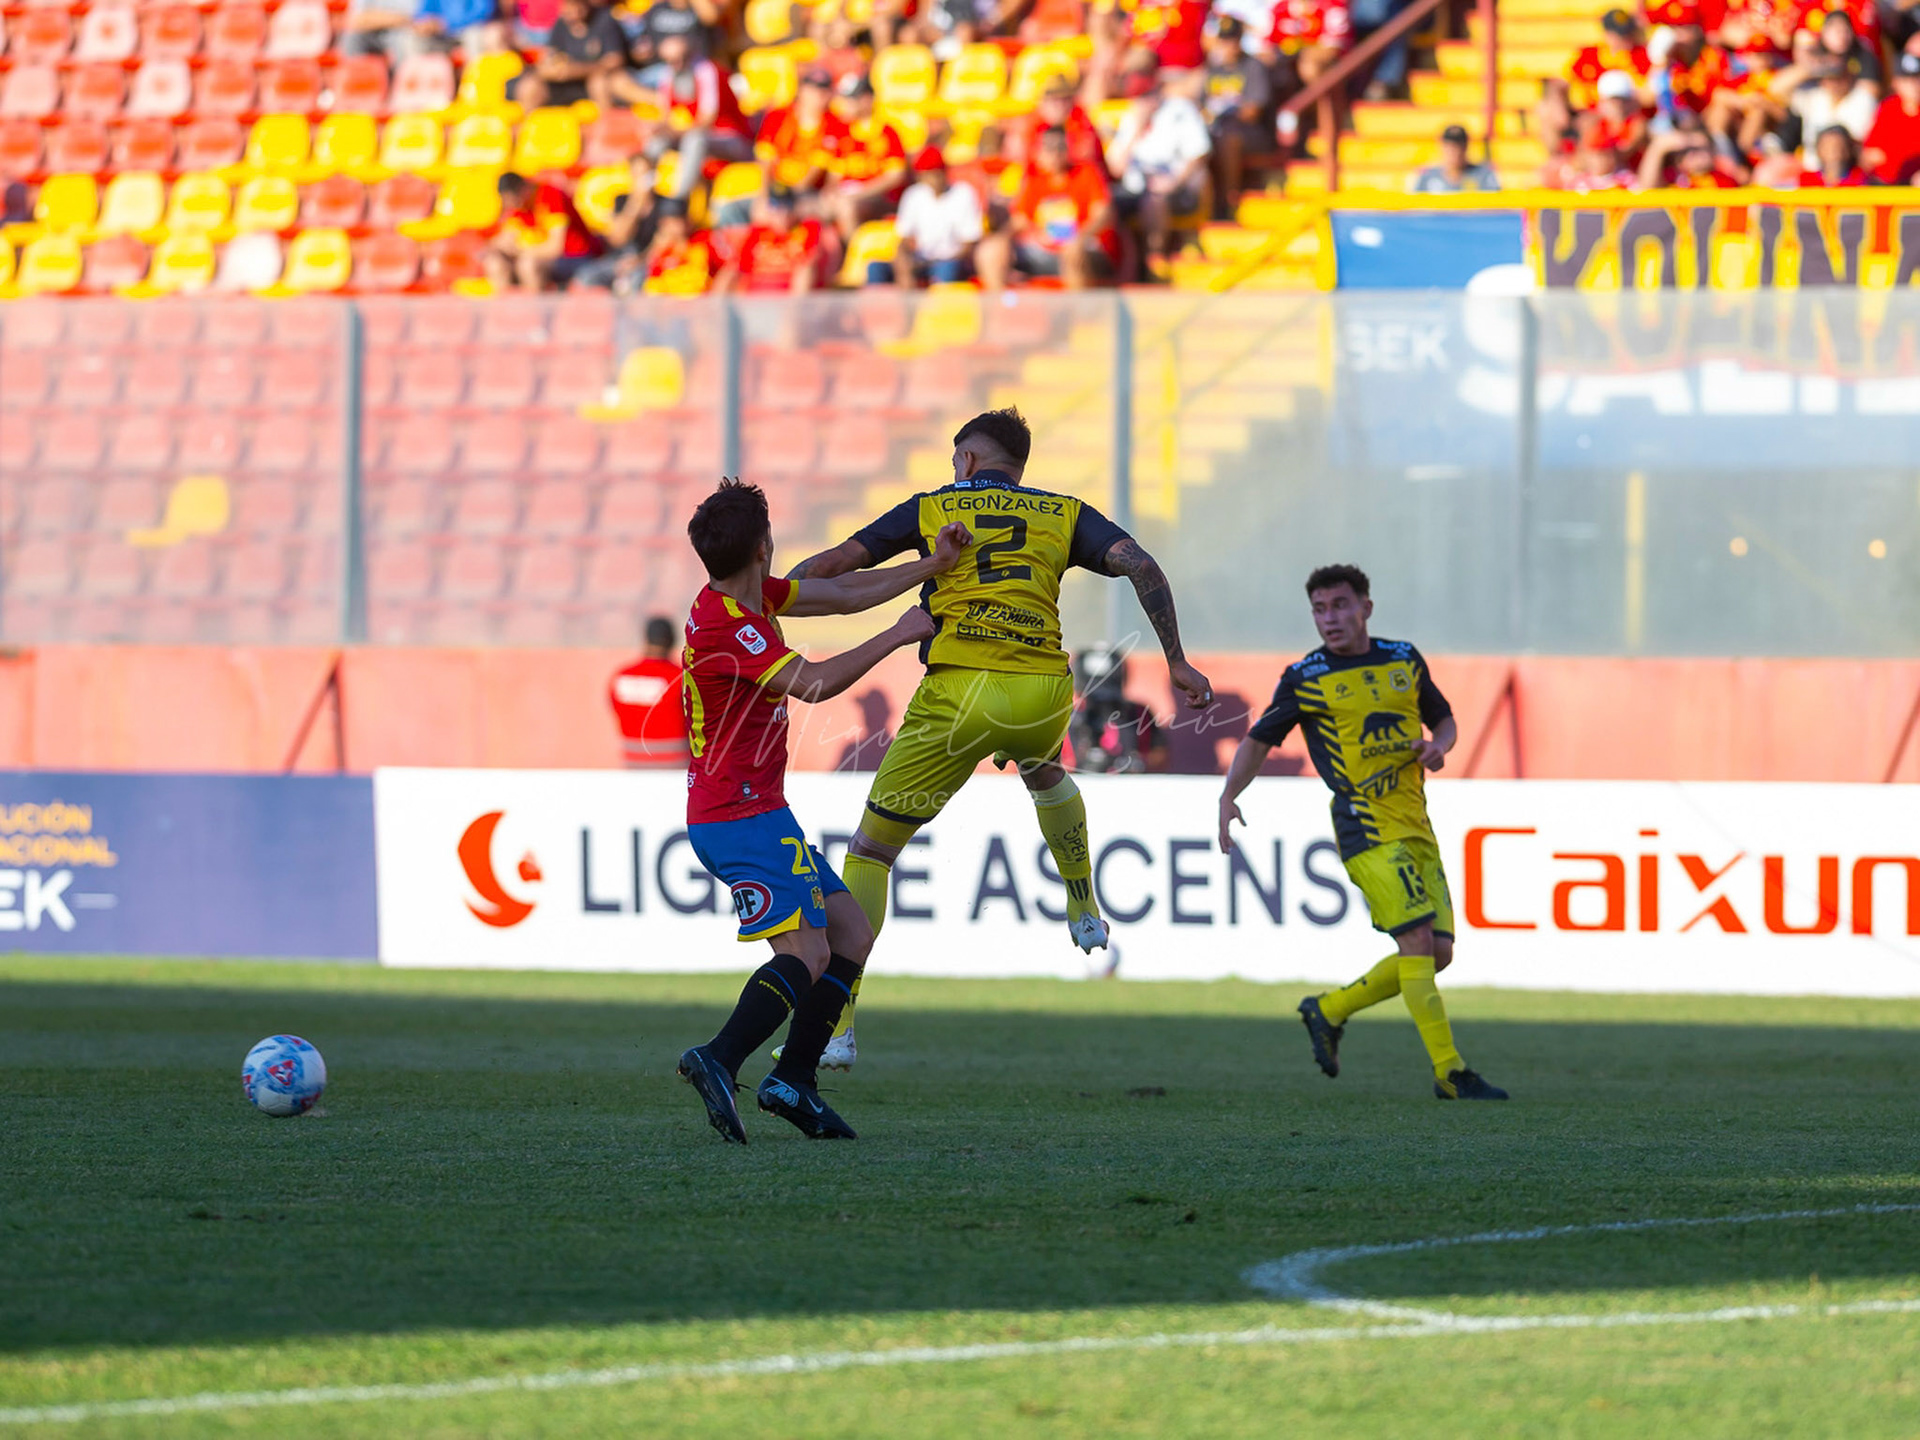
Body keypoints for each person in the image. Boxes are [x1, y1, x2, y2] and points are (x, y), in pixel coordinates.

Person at [781, 407, 1214, 1068]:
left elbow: (839, 563)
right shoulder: (1062, 512)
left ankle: (834, 1029)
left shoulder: (934, 507)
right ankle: (1084, 905)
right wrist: (1176, 659)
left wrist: (770, 596)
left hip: (958, 693)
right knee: (1044, 771)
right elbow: (1140, 563)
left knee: (869, 854)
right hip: (1042, 690)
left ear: (968, 460)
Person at [674, 479, 974, 1144]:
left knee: (850, 933)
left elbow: (838, 595)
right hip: (735, 817)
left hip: (757, 812)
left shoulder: (748, 597)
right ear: (764, 544)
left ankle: (793, 1080)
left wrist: (933, 565)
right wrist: (898, 634)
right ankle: (719, 1057)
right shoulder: (730, 625)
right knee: (808, 953)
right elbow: (811, 684)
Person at [1216, 564, 1507, 1102]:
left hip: (1416, 823)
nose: (1330, 618)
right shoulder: (1305, 676)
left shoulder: (1403, 659)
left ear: (1365, 607)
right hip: (1365, 826)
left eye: (1340, 605)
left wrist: (1439, 746)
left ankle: (1329, 1010)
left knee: (1438, 952)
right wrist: (1229, 795)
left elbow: (1444, 720)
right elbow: (1259, 740)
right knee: (1416, 941)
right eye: (1319, 609)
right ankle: (1450, 1073)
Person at [978, 126, 1119, 290]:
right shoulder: (1035, 180)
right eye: (1049, 148)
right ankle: (999, 303)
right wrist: (1003, 238)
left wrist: (1080, 238)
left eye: (1060, 147)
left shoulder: (1086, 173)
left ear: (1068, 149)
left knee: (1072, 253)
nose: (1055, 153)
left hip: (1083, 250)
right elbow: (1020, 220)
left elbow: (1103, 214)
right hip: (1043, 250)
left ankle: (1076, 305)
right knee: (990, 250)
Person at [1106, 74, 1213, 277]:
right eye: (1139, 96)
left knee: (1154, 198)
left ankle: (1153, 261)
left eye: (1147, 94)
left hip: (1178, 189)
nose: (1144, 100)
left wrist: (1174, 182)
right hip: (1134, 189)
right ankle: (1113, 261)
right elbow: (1116, 168)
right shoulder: (1131, 116)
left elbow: (1199, 154)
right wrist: (1138, 128)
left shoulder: (1180, 110)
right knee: (1103, 203)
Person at [630, 32, 754, 203]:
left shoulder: (707, 71)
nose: (677, 64)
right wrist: (657, 129)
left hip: (731, 138)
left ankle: (679, 199)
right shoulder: (668, 75)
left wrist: (672, 131)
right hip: (690, 134)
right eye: (671, 60)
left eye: (681, 58)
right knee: (656, 143)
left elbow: (706, 121)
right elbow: (666, 115)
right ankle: (645, 197)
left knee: (695, 140)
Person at [875, 146, 984, 286]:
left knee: (946, 269)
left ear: (943, 172)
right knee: (876, 268)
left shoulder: (963, 193)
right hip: (922, 259)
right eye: (927, 174)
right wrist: (904, 261)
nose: (932, 179)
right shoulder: (914, 194)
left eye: (935, 173)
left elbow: (970, 242)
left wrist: (949, 258)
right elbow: (905, 237)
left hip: (952, 260)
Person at [1203, 18, 1276, 217]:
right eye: (1225, 40)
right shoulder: (1213, 68)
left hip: (1253, 134)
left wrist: (1223, 111)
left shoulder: (1253, 66)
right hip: (1215, 129)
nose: (1229, 46)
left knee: (1229, 137)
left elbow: (1253, 112)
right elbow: (1202, 106)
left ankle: (1227, 201)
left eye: (1233, 40)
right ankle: (1198, 204)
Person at [821, 73, 910, 237]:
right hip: (847, 195)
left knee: (846, 207)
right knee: (816, 207)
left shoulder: (887, 133)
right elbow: (835, 175)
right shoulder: (844, 132)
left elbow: (895, 177)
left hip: (878, 197)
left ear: (867, 100)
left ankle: (854, 251)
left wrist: (860, 193)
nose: (846, 104)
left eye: (852, 99)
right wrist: (832, 193)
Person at [487, 172, 606, 291]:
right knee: (495, 263)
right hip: (543, 255)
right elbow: (506, 238)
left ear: (523, 189)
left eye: (513, 200)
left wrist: (521, 250)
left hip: (574, 255)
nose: (512, 205)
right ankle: (505, 301)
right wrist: (503, 247)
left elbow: (556, 247)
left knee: (528, 265)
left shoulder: (550, 195)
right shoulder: (518, 205)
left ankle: (535, 302)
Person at [507, 0, 629, 108]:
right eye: (569, 6)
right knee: (530, 85)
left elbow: (615, 60)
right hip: (564, 84)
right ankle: (528, 124)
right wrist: (549, 70)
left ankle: (606, 124)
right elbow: (551, 55)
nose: (574, 11)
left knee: (599, 83)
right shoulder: (560, 24)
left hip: (590, 82)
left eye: (577, 5)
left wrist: (576, 70)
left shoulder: (604, 20)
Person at [609, 616, 690, 767]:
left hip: (633, 762)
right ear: (672, 641)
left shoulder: (622, 676)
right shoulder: (681, 677)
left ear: (646, 639)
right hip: (675, 764)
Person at [714, 190, 825, 293]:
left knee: (806, 270)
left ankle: (796, 307)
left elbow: (810, 262)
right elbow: (738, 266)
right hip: (755, 294)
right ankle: (718, 306)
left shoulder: (807, 229)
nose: (782, 212)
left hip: (787, 295)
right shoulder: (757, 233)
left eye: (787, 205)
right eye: (775, 205)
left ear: (794, 208)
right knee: (729, 272)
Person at [1864, 50, 1920, 182]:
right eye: (1906, 80)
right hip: (1885, 183)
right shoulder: (1888, 107)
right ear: (1896, 83)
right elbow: (1871, 153)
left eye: (1917, 79)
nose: (1913, 85)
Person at [1408, 123, 1500, 193]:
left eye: (1459, 146)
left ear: (1466, 147)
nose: (1455, 151)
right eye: (1450, 146)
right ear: (1442, 146)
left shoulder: (1484, 175)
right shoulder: (1427, 176)